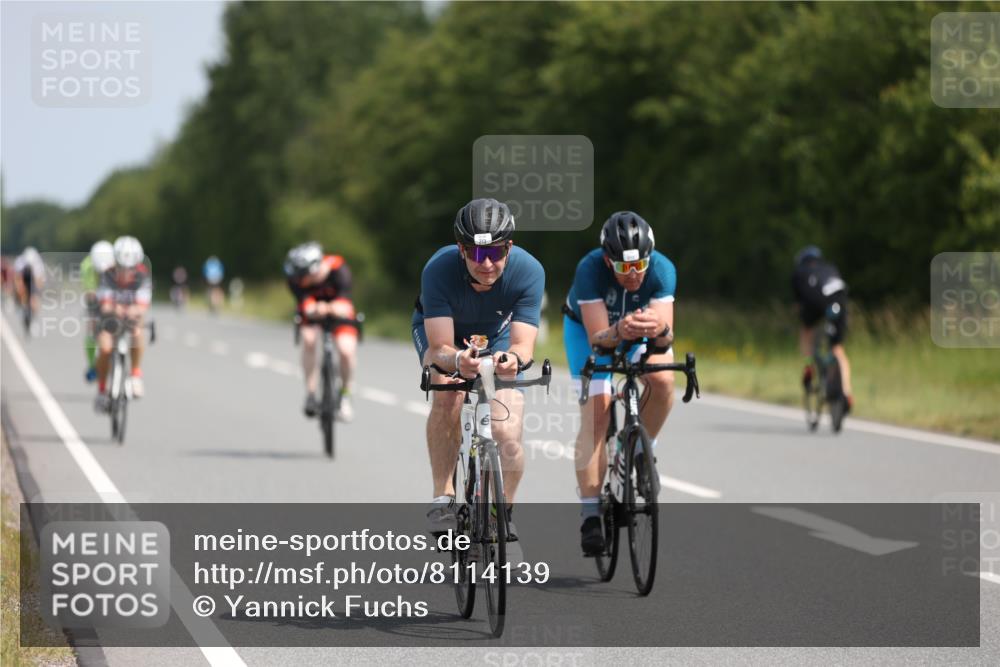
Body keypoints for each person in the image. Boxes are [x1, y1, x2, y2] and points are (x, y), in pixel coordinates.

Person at [413, 198, 544, 538]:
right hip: (446, 336)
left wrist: (511, 360)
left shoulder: (529, 271)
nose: (486, 264)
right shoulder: (438, 269)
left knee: (507, 434)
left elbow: (523, 346)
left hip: (498, 338)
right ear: (461, 249)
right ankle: (443, 496)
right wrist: (458, 361)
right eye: (476, 254)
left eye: (496, 253)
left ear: (509, 247)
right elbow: (440, 347)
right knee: (448, 397)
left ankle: (504, 518)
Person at [563, 211, 676, 556]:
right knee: (597, 409)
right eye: (624, 268)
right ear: (608, 261)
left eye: (639, 265)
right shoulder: (589, 269)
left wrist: (657, 329)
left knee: (662, 380)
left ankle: (642, 451)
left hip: (635, 333)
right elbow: (599, 338)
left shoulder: (662, 270)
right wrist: (619, 331)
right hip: (589, 333)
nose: (633, 275)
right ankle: (591, 511)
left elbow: (664, 342)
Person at [284, 242, 359, 422]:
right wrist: (313, 309)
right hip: (313, 312)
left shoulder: (338, 270)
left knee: (346, 351)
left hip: (339, 310)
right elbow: (304, 303)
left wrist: (328, 307)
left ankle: (345, 395)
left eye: (302, 276)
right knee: (308, 340)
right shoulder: (294, 279)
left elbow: (344, 303)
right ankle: (310, 393)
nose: (298, 281)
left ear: (314, 269)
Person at [94, 236, 152, 412]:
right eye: (122, 267)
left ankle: (135, 374)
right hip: (110, 316)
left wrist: (131, 311)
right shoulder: (107, 275)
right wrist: (115, 309)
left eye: (130, 268)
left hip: (131, 316)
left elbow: (142, 307)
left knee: (137, 331)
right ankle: (102, 390)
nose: (126, 272)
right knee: (104, 348)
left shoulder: (143, 276)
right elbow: (104, 305)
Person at [791, 245, 852, 409]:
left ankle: (809, 367)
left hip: (814, 303)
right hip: (838, 302)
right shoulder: (830, 267)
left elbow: (799, 304)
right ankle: (846, 393)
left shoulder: (799, 272)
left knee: (807, 331)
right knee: (838, 349)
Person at [81, 241, 116, 382]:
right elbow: (90, 292)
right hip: (96, 295)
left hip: (113, 294)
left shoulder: (116, 262)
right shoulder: (87, 265)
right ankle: (91, 365)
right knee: (92, 325)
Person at [13, 247, 46, 325]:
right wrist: (20, 289)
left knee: (34, 299)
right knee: (20, 292)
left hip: (34, 279)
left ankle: (33, 316)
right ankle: (21, 306)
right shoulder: (20, 262)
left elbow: (39, 281)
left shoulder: (38, 264)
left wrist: (35, 294)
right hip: (23, 277)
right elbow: (17, 278)